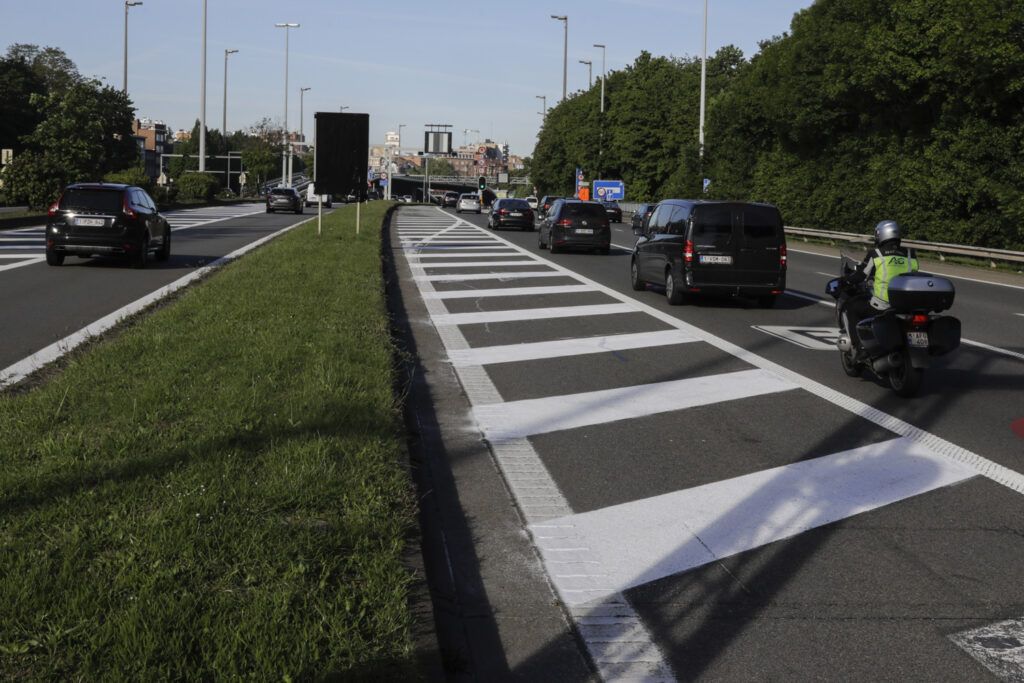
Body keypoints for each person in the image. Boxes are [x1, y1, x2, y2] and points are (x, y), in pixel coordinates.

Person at [838, 220, 919, 351]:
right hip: (906, 305)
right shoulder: (910, 254)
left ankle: (857, 347)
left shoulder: (876, 254)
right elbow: (912, 272)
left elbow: (861, 275)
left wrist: (845, 280)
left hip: (883, 305)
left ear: (881, 235)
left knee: (851, 307)